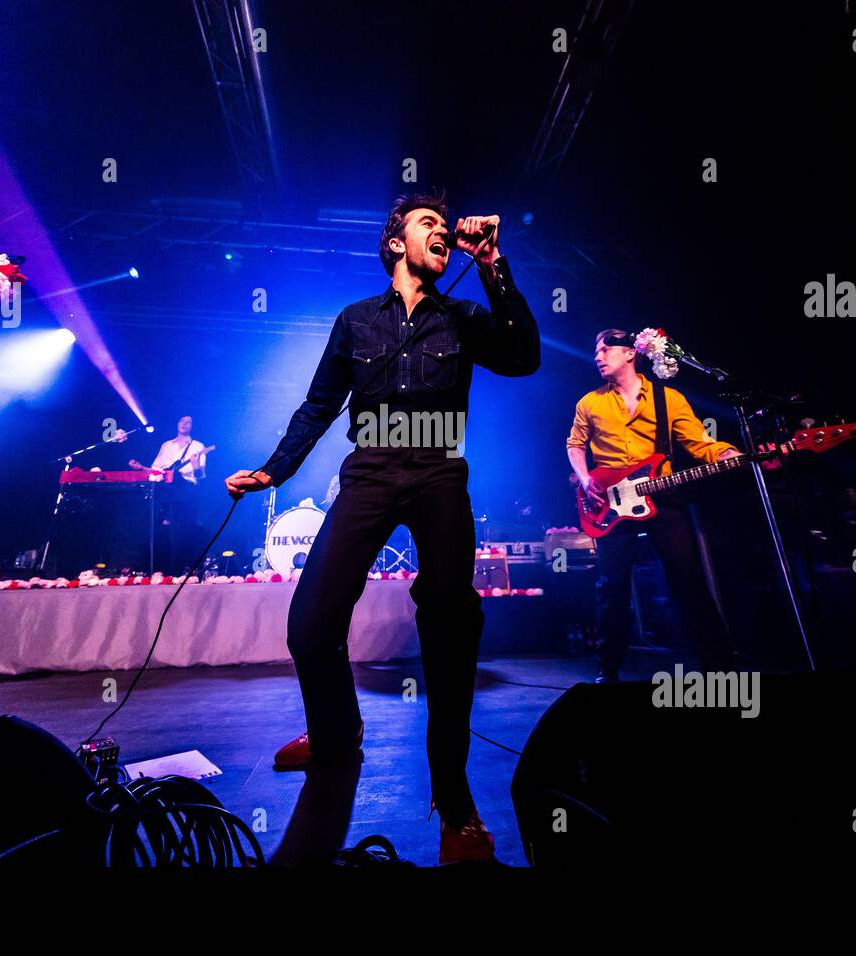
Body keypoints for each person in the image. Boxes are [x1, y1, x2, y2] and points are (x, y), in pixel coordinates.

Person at [224, 192, 539, 864]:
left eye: (445, 229)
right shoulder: (355, 321)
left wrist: (493, 263)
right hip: (367, 472)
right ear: (396, 243)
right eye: (428, 224)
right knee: (311, 622)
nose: (442, 234)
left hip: (438, 472)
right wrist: (273, 472)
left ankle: (454, 802)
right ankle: (336, 734)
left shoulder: (464, 315)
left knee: (450, 622)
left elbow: (523, 356)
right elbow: (317, 408)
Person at [566, 329, 741, 682]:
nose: (597, 356)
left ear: (630, 353)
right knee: (610, 586)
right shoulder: (589, 402)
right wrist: (586, 479)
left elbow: (698, 442)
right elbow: (575, 444)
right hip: (610, 503)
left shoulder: (669, 398)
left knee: (688, 580)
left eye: (605, 349)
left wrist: (725, 452)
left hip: (662, 495)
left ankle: (720, 668)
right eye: (595, 351)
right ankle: (608, 668)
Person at [130, 415, 212, 573]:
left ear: (192, 427)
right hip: (164, 494)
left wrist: (195, 466)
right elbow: (156, 469)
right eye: (182, 421)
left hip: (185, 494)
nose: (185, 424)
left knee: (180, 533)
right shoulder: (166, 445)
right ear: (177, 423)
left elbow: (201, 477)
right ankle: (157, 570)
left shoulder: (198, 446)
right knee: (159, 531)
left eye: (189, 422)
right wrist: (141, 467)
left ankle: (179, 570)